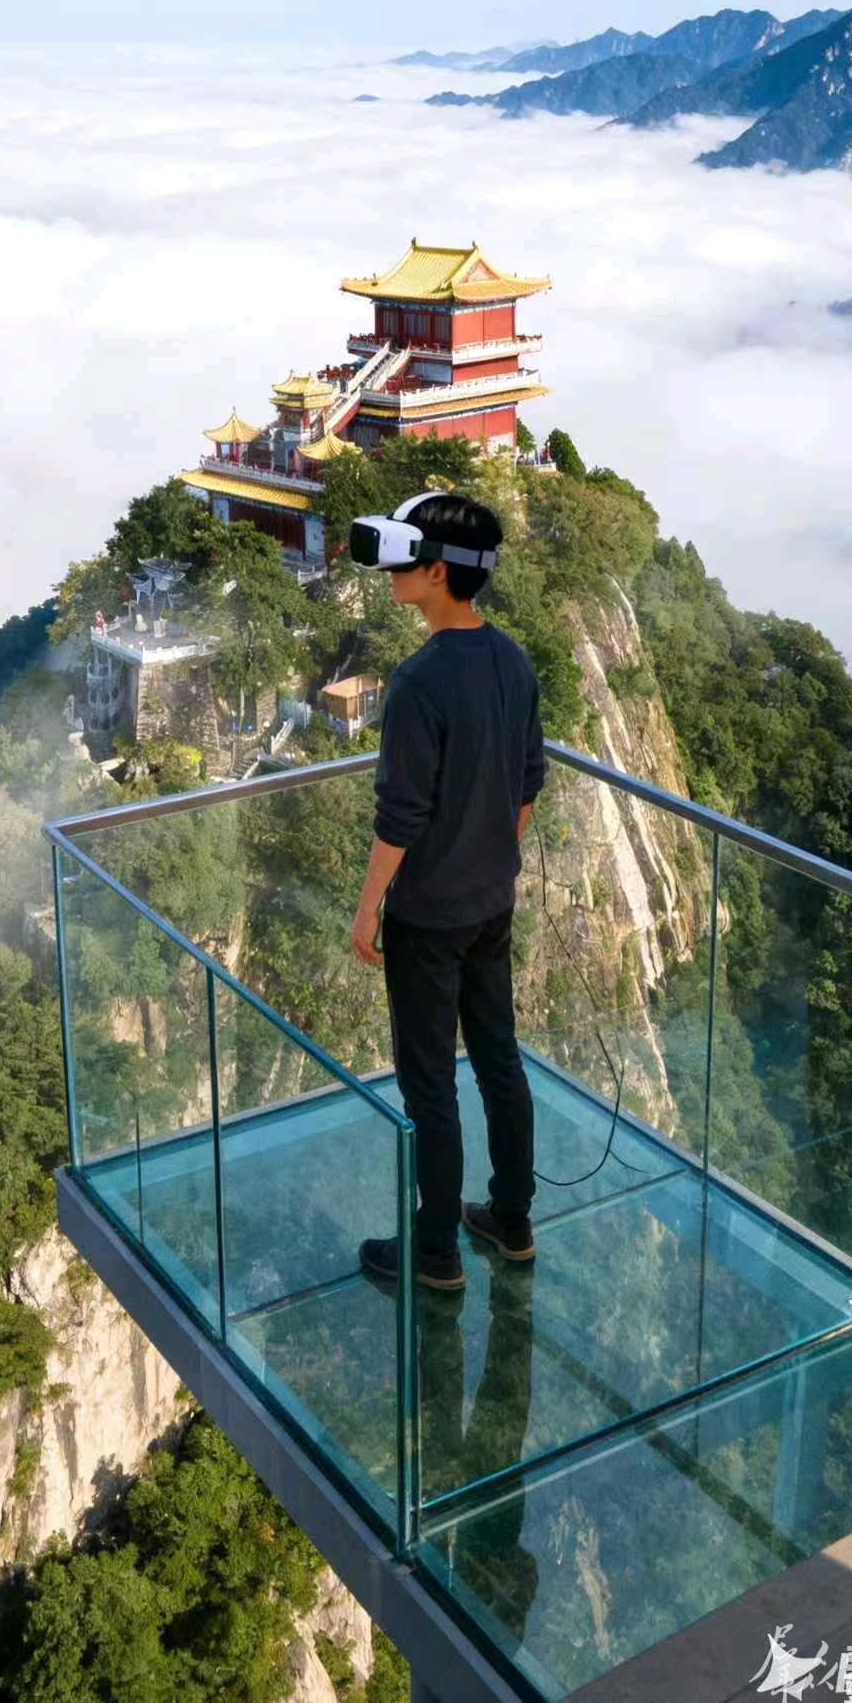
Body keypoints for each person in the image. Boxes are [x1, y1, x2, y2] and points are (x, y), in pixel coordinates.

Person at [349, 490, 545, 1291]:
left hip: (428, 916)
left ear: (437, 572)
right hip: (491, 903)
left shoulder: (418, 682)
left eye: (407, 558)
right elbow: (526, 786)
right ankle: (512, 1220)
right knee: (499, 1060)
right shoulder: (514, 661)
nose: (392, 572)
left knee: (429, 1084)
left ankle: (435, 1253)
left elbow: (400, 817)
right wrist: (489, 854)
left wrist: (369, 908)